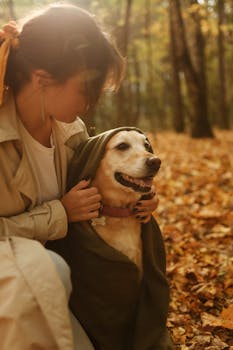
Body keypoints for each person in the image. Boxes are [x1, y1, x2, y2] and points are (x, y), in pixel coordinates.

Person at [0, 3, 159, 350]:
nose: (89, 104)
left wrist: (141, 196)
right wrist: (59, 214)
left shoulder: (71, 131)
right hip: (19, 282)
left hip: (63, 277)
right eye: (85, 91)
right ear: (42, 80)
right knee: (49, 268)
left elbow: (103, 182)